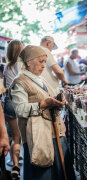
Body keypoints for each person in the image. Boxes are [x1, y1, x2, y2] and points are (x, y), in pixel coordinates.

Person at [9, 45, 75, 180]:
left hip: (54, 133)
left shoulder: (40, 78)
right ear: (28, 62)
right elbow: (21, 110)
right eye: (41, 61)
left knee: (60, 172)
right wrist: (43, 104)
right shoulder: (19, 82)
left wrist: (58, 100)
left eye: (45, 61)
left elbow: (48, 96)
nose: (44, 65)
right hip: (38, 137)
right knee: (43, 174)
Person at [3, 40, 23, 178]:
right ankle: (17, 165)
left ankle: (15, 163)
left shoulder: (6, 67)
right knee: (19, 137)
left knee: (13, 136)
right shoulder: (22, 65)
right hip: (20, 100)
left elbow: (4, 87)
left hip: (8, 101)